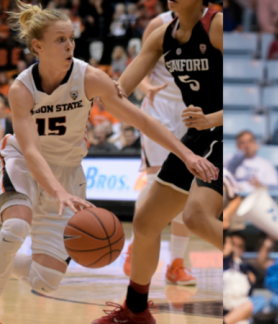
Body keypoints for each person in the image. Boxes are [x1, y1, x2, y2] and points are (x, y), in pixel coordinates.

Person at [0, 2, 217, 324]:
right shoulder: (21, 89)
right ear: (38, 46)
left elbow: (142, 121)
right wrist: (59, 193)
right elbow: (31, 151)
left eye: (71, 39)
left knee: (45, 278)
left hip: (68, 171)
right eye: (60, 40)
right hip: (22, 161)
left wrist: (186, 154)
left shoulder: (88, 77)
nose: (69, 45)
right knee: (16, 227)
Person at [94, 0, 223, 322]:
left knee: (195, 217)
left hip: (224, 132)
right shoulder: (162, 36)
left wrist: (212, 118)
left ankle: (254, 269)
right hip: (196, 136)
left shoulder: (216, 27)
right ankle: (135, 309)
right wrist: (86, 88)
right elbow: (119, 91)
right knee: (146, 221)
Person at [121, 8, 198, 288]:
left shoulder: (212, 24)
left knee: (185, 190)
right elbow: (140, 64)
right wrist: (145, 86)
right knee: (157, 182)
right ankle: (136, 244)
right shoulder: (159, 23)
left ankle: (176, 263)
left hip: (194, 111)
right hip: (160, 109)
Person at [223, 232, 265, 324]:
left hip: (241, 305)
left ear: (244, 249)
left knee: (260, 300)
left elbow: (249, 291)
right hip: (225, 306)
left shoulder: (247, 268)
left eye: (239, 246)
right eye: (233, 244)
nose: (235, 248)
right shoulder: (222, 263)